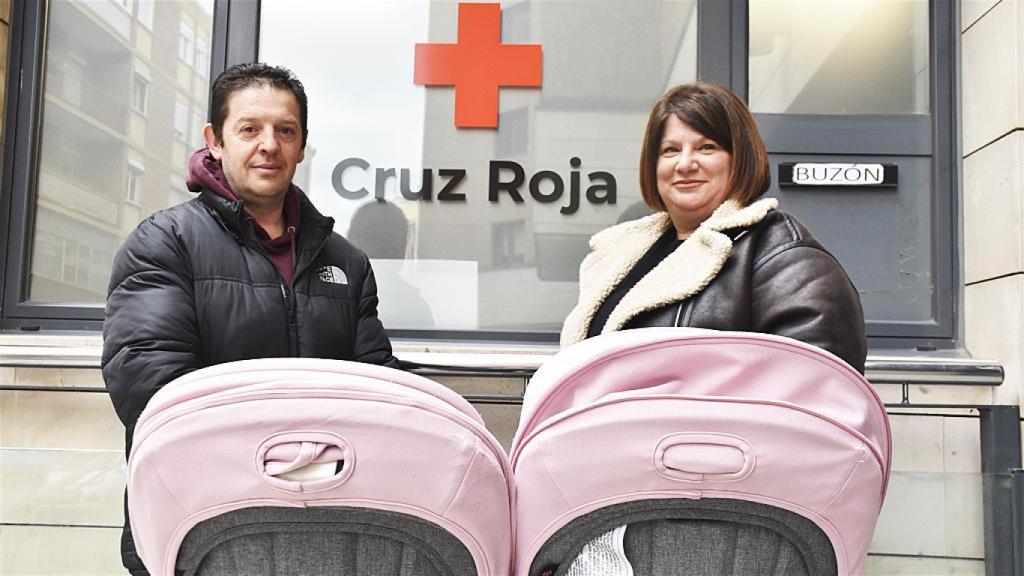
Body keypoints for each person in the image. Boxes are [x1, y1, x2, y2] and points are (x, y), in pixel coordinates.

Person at [102, 63, 398, 575]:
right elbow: (149, 384)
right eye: (249, 129)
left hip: (325, 528)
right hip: (202, 528)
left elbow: (378, 387)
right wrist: (293, 459)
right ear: (215, 140)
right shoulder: (165, 243)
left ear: (303, 146)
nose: (269, 145)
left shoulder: (347, 262)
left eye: (286, 131)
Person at [561, 82, 866, 373]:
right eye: (670, 150)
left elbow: (816, 383)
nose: (684, 163)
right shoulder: (626, 253)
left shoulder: (782, 253)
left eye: (707, 147)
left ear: (741, 159)